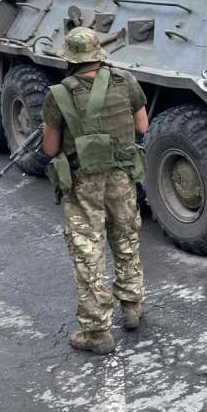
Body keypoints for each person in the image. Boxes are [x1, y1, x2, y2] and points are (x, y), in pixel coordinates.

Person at [41, 27, 149, 355]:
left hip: (83, 181)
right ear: (98, 54)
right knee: (125, 237)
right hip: (121, 175)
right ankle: (131, 307)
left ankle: (97, 332)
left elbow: (50, 148)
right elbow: (142, 126)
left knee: (88, 251)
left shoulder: (58, 94)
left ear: (70, 59)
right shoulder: (126, 81)